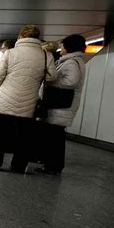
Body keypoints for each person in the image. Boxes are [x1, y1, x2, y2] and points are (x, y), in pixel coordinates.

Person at [0, 25, 56, 173]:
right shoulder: (45, 55)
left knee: (1, 134)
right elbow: (53, 77)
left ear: (21, 37)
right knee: (24, 137)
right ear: (37, 38)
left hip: (5, 99)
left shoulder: (10, 53)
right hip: (29, 102)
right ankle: (18, 166)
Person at [37, 34, 86, 175]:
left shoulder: (71, 62)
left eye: (63, 46)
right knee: (54, 136)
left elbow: (72, 82)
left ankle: (53, 166)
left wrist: (52, 82)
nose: (61, 48)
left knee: (55, 138)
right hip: (61, 105)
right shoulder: (71, 61)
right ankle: (51, 164)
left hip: (62, 105)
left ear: (69, 47)